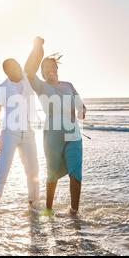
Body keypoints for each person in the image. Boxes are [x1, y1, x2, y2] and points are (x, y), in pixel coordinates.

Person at [24, 37, 87, 216]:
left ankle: (74, 211)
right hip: (52, 136)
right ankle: (48, 209)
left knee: (76, 172)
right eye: (46, 69)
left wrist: (82, 109)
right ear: (42, 73)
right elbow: (28, 71)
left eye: (53, 67)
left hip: (73, 133)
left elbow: (80, 105)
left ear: (57, 69)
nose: (50, 70)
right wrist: (37, 49)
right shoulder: (41, 86)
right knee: (52, 174)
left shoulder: (69, 85)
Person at [0, 56, 40, 215]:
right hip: (10, 133)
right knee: (2, 169)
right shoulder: (2, 88)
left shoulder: (27, 79)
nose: (17, 69)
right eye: (13, 68)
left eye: (17, 65)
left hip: (28, 132)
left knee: (33, 169)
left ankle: (33, 203)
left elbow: (34, 60)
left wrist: (38, 46)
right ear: (7, 72)